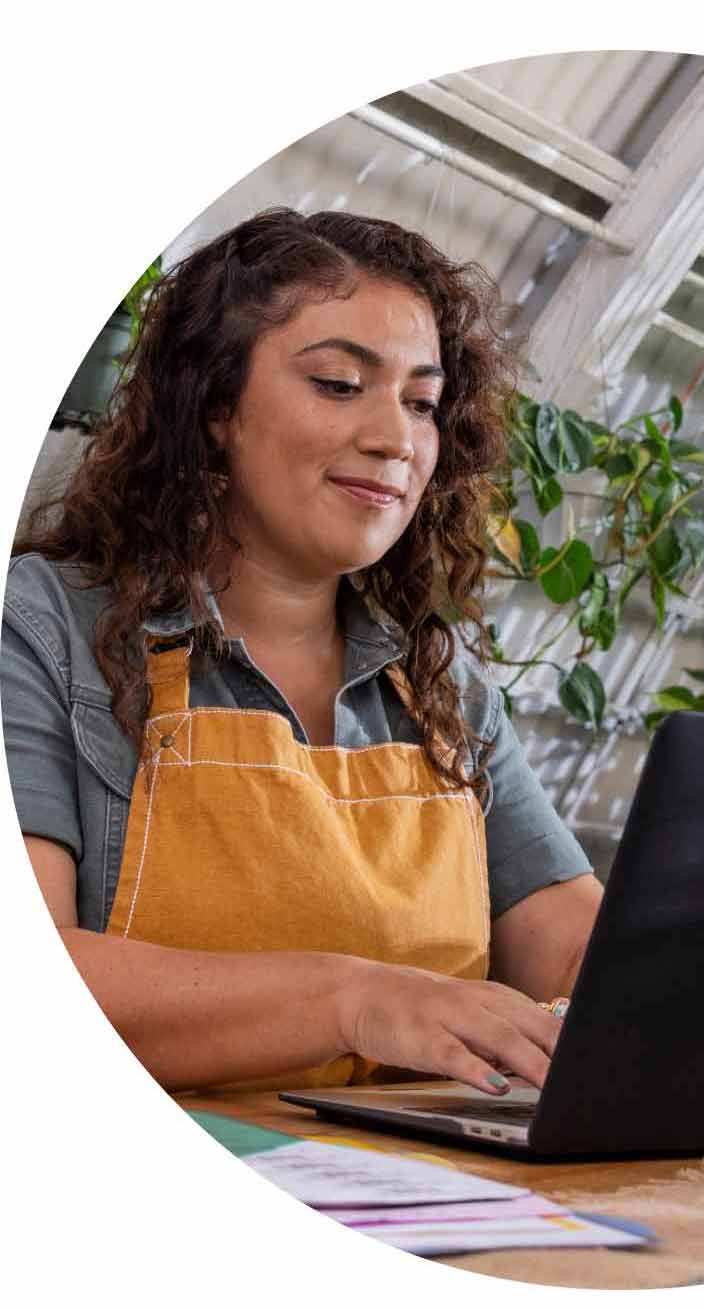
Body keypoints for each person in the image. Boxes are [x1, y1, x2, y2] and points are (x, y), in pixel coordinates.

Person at [2, 208, 603, 1098]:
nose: (395, 439)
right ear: (213, 407)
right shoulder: (45, 628)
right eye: (337, 384)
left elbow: (571, 947)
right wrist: (354, 999)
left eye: (422, 403)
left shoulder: (443, 686)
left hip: (430, 1190)